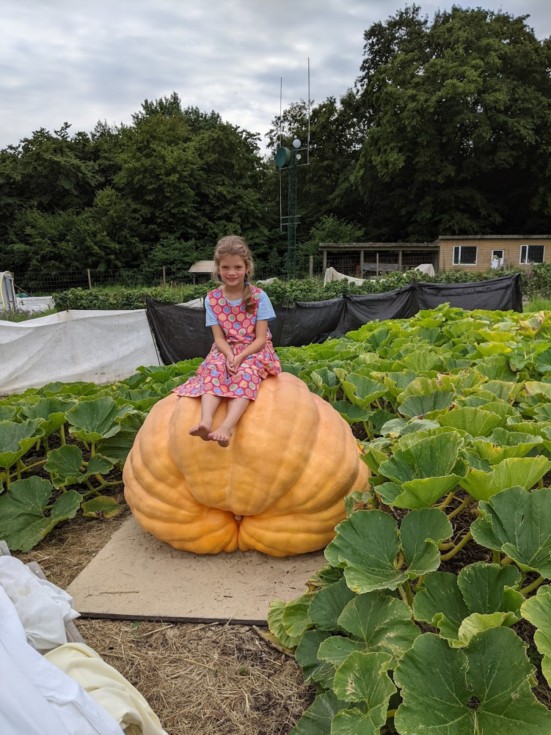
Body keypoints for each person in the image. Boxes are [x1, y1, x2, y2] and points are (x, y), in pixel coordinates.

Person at [172, 235, 281, 447]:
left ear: (247, 268)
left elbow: (261, 339)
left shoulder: (259, 297)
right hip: (225, 348)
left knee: (246, 372)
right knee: (213, 368)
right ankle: (205, 421)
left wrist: (240, 357)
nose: (232, 273)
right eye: (226, 267)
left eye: (238, 267)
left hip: (254, 350)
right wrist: (229, 355)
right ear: (218, 269)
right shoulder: (212, 299)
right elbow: (219, 338)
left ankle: (227, 427)